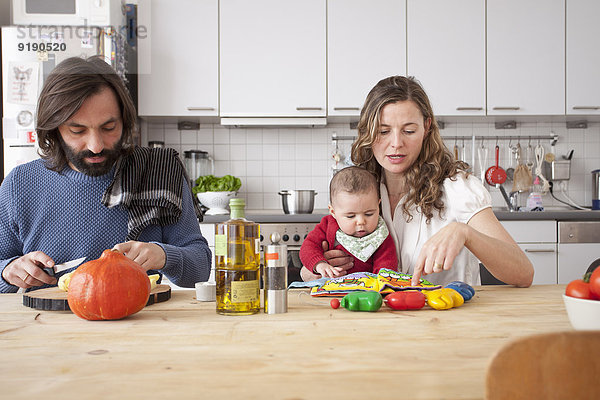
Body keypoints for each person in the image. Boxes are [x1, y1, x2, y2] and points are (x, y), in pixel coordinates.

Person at [0, 56, 212, 293]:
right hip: (46, 324)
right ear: (54, 128)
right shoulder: (20, 184)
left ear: (124, 120)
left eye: (109, 128)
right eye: (77, 130)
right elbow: (2, 266)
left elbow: (200, 267)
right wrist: (8, 271)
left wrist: (164, 255)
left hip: (138, 325)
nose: (96, 145)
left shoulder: (160, 172)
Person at [301, 76, 533, 287]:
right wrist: (314, 271)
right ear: (368, 132)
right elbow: (310, 267)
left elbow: (523, 273)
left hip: (447, 325)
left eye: (409, 131)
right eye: (383, 132)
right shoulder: (359, 190)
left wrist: (466, 233)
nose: (396, 143)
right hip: (371, 324)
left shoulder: (459, 188)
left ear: (426, 127)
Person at [300, 166, 397, 278]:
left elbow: (387, 264)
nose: (361, 222)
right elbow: (308, 247)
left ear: (378, 206)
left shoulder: (380, 234)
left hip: (366, 291)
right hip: (332, 289)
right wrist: (319, 264)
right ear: (333, 212)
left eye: (369, 214)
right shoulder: (327, 225)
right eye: (350, 216)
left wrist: (380, 283)